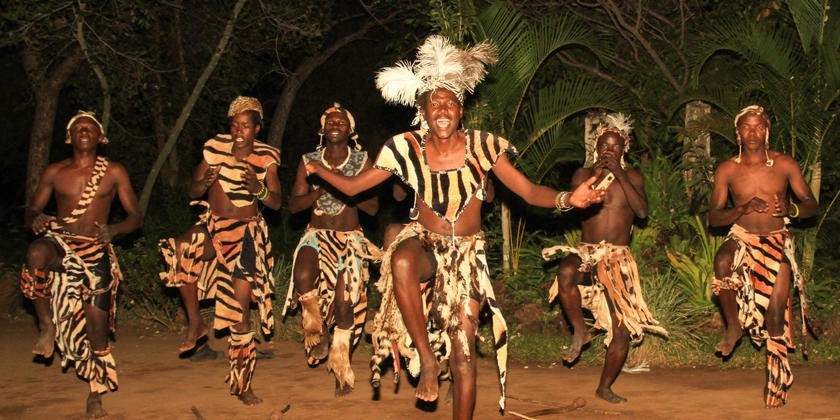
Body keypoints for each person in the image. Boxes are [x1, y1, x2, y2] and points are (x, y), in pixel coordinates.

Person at [304, 35, 604, 419]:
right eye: (434, 104)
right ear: (423, 112)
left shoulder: (483, 146)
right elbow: (353, 187)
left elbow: (528, 190)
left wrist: (568, 199)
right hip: (425, 244)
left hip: (465, 257)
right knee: (401, 260)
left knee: (464, 355)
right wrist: (320, 172)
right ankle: (428, 361)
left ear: (461, 110)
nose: (442, 109)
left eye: (449, 103)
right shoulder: (404, 148)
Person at [158, 96, 281, 405]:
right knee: (182, 247)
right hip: (213, 227)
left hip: (246, 235)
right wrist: (203, 183)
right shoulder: (214, 147)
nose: (239, 131)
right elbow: (192, 189)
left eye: (246, 126)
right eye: (235, 124)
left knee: (238, 312)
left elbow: (277, 202)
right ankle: (195, 323)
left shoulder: (266, 157)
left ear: (257, 128)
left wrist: (259, 189)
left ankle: (243, 383)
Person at [21, 111, 144, 418]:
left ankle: (95, 393)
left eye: (90, 128)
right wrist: (36, 218)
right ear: (69, 137)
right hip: (60, 245)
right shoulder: (55, 172)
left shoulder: (114, 172)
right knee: (36, 253)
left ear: (100, 137)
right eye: (78, 129)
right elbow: (32, 209)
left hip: (95, 251)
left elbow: (136, 217)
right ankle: (47, 325)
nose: (84, 131)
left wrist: (113, 230)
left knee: (97, 329)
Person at [542, 113, 666, 404]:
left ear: (625, 149)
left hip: (618, 257)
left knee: (622, 332)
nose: (609, 151)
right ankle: (580, 332)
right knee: (565, 273)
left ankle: (605, 386)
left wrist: (618, 174)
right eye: (604, 146)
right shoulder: (582, 176)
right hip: (586, 251)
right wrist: (598, 176)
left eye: (615, 146)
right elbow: (573, 207)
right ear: (596, 147)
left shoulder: (632, 177)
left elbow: (642, 212)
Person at [709, 104, 816, 408]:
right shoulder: (728, 168)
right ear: (737, 132)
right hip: (741, 236)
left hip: (776, 241)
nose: (752, 132)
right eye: (746, 126)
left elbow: (810, 204)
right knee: (722, 261)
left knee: (775, 312)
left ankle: (776, 380)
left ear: (767, 130)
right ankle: (733, 326)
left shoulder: (784, 164)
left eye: (758, 126)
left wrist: (791, 209)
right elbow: (715, 218)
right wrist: (740, 209)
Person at [282, 103, 382, 395]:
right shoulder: (309, 161)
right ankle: (317, 329)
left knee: (343, 303)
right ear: (322, 129)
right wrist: (320, 190)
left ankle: (341, 365)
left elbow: (373, 209)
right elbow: (294, 205)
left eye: (341, 121)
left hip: (350, 239)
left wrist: (346, 188)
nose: (335, 124)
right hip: (316, 234)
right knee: (301, 276)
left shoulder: (363, 160)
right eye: (329, 121)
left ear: (351, 131)